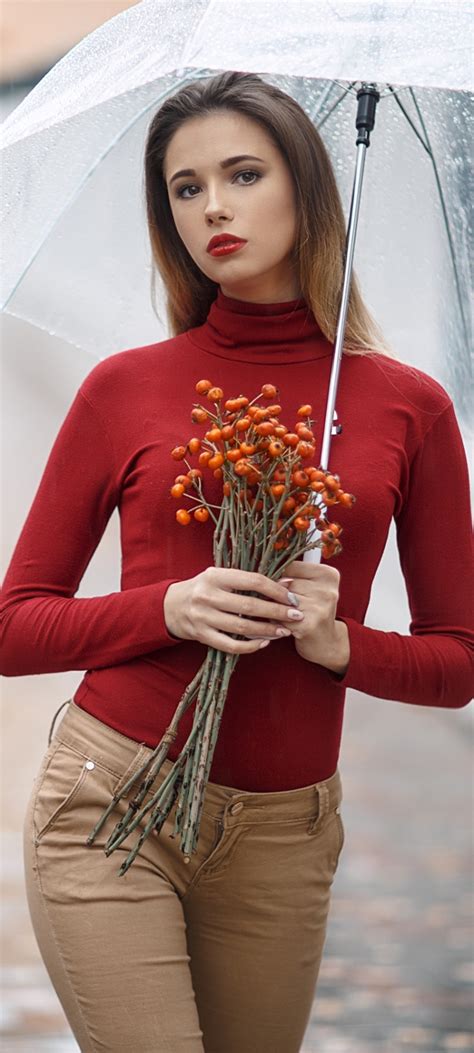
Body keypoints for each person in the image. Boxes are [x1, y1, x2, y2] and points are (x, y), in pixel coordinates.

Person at [1, 70, 473, 1053]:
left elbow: (459, 661)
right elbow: (13, 627)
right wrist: (167, 609)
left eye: (243, 173)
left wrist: (343, 644)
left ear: (307, 186)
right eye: (184, 187)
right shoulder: (122, 390)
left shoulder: (407, 407)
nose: (212, 205)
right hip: (111, 802)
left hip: (284, 838)